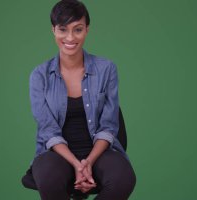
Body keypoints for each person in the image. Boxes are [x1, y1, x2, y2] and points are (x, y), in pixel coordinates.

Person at [28, 0, 136, 199]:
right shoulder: (39, 75)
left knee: (123, 178)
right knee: (48, 178)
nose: (70, 37)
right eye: (62, 29)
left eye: (77, 29)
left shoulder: (106, 69)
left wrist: (88, 162)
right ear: (53, 30)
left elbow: (109, 126)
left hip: (99, 151)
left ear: (86, 30)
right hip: (56, 153)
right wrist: (77, 164)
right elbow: (48, 130)